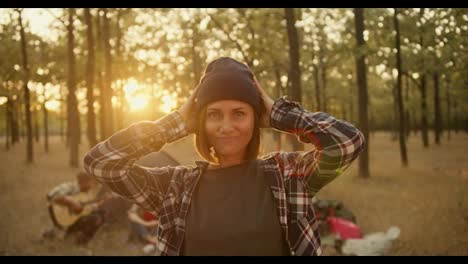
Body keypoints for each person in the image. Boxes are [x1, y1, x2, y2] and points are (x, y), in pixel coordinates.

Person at [83, 57, 365, 256]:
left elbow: (347, 143)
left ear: (256, 119)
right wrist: (176, 123)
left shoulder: (287, 176)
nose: (226, 126)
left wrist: (280, 114)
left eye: (239, 113)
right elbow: (101, 163)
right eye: (214, 115)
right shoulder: (175, 186)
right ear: (200, 122)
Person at [44, 171, 109, 245]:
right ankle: (79, 242)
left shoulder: (87, 194)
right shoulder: (71, 187)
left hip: (71, 218)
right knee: (96, 218)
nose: (94, 184)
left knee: (100, 215)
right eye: (93, 181)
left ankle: (67, 235)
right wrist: (72, 203)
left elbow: (88, 209)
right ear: (86, 182)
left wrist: (101, 202)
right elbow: (50, 196)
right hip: (58, 216)